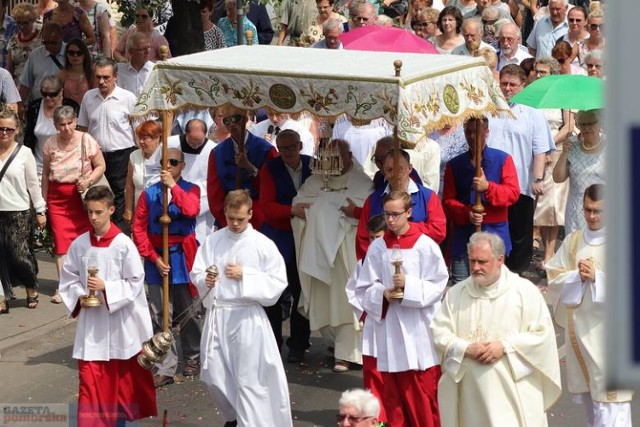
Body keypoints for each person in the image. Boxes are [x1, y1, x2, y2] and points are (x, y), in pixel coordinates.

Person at [431, 232, 562, 427]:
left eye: (482, 262)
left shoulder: (524, 292)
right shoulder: (457, 295)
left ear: (500, 260)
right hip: (469, 398)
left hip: (511, 394)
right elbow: (439, 332)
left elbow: (542, 336)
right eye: (472, 261)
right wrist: (465, 349)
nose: (475, 268)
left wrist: (505, 346)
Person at [191, 189, 293, 427]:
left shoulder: (262, 244)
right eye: (231, 218)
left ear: (250, 214)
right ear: (224, 213)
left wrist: (245, 275)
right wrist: (204, 280)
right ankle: (234, 416)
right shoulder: (213, 241)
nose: (235, 224)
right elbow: (197, 271)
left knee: (248, 379)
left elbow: (278, 282)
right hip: (218, 313)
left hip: (247, 317)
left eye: (241, 218)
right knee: (214, 374)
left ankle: (250, 423)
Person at [58, 185, 157, 427]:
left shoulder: (123, 245)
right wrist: (80, 296)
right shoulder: (80, 244)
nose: (93, 217)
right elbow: (68, 278)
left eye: (98, 212)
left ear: (111, 210)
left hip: (119, 328)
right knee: (90, 386)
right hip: (92, 327)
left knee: (118, 389)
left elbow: (135, 282)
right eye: (90, 212)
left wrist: (106, 287)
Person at [355, 191, 449, 426]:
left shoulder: (425, 245)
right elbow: (363, 288)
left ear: (409, 213)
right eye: (387, 214)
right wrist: (383, 294)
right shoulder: (377, 248)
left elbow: (439, 284)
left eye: (396, 214)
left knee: (422, 393)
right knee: (393, 397)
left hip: (418, 329)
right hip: (391, 329)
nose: (390, 220)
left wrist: (409, 286)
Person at [546, 184, 634, 427]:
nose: (592, 216)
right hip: (582, 337)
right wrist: (576, 276)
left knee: (612, 408)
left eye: (598, 211)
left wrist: (599, 277)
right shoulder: (574, 241)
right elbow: (553, 275)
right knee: (593, 409)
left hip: (612, 340)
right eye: (587, 210)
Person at [292, 139, 373, 372]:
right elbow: (299, 203)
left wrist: (335, 210)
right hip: (320, 252)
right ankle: (333, 343)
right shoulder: (316, 179)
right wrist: (307, 210)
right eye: (328, 158)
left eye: (338, 157)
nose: (333, 163)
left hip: (346, 251)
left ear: (349, 155)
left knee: (346, 301)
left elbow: (365, 210)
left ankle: (346, 353)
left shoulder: (361, 181)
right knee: (325, 299)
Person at [132, 147, 202, 387]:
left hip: (183, 256)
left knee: (189, 311)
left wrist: (173, 185)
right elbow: (138, 228)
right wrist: (152, 257)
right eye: (165, 162)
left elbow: (191, 210)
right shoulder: (150, 193)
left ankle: (192, 356)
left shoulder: (191, 189)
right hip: (157, 258)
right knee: (160, 314)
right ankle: (166, 365)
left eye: (174, 162)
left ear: (182, 165)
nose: (168, 165)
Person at [488, 64, 555, 273]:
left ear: (523, 86)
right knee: (493, 234)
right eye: (503, 84)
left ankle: (516, 276)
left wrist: (537, 179)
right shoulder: (488, 109)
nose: (507, 88)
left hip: (520, 185)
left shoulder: (533, 114)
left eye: (512, 85)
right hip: (491, 184)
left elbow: (540, 150)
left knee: (519, 234)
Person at [443, 116, 520, 283]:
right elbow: (448, 201)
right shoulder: (454, 165)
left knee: (493, 287)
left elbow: (513, 193)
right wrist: (466, 213)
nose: (472, 136)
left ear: (487, 132)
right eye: (468, 132)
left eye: (476, 132)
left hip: (494, 233)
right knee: (461, 286)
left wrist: (488, 187)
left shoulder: (503, 160)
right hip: (463, 236)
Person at [42, 105, 105, 300]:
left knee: (86, 240)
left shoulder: (86, 139)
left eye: (70, 123)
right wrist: (42, 201)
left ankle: (88, 282)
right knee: (61, 244)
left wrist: (88, 180)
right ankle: (63, 287)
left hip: (82, 197)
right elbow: (45, 173)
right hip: (57, 198)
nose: (66, 128)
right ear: (55, 125)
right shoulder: (50, 144)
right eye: (62, 124)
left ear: (76, 121)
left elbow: (101, 165)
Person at [259, 129, 313, 360]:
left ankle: (299, 345)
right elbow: (266, 206)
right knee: (275, 294)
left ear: (300, 145)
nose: (288, 153)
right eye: (283, 148)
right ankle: (273, 343)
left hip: (306, 237)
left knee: (303, 290)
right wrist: (291, 210)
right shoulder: (270, 168)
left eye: (292, 147)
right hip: (278, 238)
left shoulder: (313, 165)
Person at [78, 57, 138, 229]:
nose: (102, 81)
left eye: (106, 77)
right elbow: (82, 128)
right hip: (95, 156)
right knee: (97, 196)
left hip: (122, 154)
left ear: (116, 77)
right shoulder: (88, 97)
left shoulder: (128, 98)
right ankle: (100, 235)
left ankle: (121, 236)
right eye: (98, 77)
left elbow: (138, 128)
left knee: (120, 196)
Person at [356, 148, 446, 260]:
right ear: (383, 171)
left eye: (399, 169)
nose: (394, 174)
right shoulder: (373, 200)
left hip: (420, 260)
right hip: (382, 264)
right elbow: (363, 238)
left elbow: (439, 231)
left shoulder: (428, 197)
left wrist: (407, 227)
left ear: (409, 168)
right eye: (389, 170)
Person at [0, 108, 46, 309]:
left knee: (19, 255)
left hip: (18, 210)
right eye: (0, 128)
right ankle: (2, 296)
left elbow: (33, 184)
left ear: (17, 130)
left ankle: (30, 287)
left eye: (9, 129)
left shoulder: (25, 153)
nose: (3, 133)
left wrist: (40, 210)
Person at [207, 106, 277, 230]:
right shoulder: (217, 153)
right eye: (227, 121)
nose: (232, 124)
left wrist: (250, 168)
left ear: (245, 119)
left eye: (236, 119)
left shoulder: (265, 149)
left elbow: (273, 186)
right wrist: (228, 221)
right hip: (228, 218)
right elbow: (214, 194)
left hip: (259, 217)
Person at [166, 119, 217, 244]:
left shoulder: (213, 149)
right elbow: (154, 169)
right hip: (171, 196)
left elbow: (214, 180)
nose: (195, 145)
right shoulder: (170, 144)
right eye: (192, 141)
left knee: (199, 240)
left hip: (201, 200)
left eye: (199, 141)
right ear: (185, 133)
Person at [553, 109, 605, 234]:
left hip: (603, 210)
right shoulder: (572, 146)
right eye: (583, 124)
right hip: (576, 211)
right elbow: (558, 178)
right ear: (577, 125)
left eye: (591, 123)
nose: (587, 127)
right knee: (575, 250)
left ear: (600, 123)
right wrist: (564, 153)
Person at [24, 77, 79, 181]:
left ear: (61, 92)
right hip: (38, 165)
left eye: (52, 94)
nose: (48, 98)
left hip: (65, 165)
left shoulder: (71, 106)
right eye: (44, 94)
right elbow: (28, 136)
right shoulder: (34, 107)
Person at [123, 120, 161, 225]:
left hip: (160, 210)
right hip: (139, 209)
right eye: (140, 138)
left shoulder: (166, 156)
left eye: (145, 138)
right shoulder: (134, 156)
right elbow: (129, 185)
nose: (141, 142)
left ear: (157, 138)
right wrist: (128, 210)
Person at [19, 21, 66, 103]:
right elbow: (25, 84)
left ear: (62, 37)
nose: (49, 46)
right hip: (39, 104)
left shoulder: (71, 53)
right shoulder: (35, 55)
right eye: (46, 43)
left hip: (63, 106)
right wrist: (20, 104)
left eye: (53, 43)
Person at [249, 108, 315, 156]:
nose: (274, 119)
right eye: (270, 114)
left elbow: (306, 157)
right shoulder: (256, 129)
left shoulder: (300, 131)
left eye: (278, 113)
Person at [6, 2, 42, 88]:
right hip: (19, 86)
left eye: (25, 23)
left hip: (39, 84)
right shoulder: (13, 41)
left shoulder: (42, 37)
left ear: (33, 20)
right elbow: (10, 68)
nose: (21, 26)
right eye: (19, 23)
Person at [57, 39, 95, 105]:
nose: (75, 56)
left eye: (79, 53)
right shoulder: (62, 74)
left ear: (84, 54)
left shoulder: (93, 74)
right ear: (67, 55)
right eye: (71, 53)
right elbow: (56, 96)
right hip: (67, 112)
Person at [116, 32, 153, 97]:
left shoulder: (155, 70)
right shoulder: (118, 71)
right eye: (142, 49)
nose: (147, 51)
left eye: (148, 47)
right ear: (131, 52)